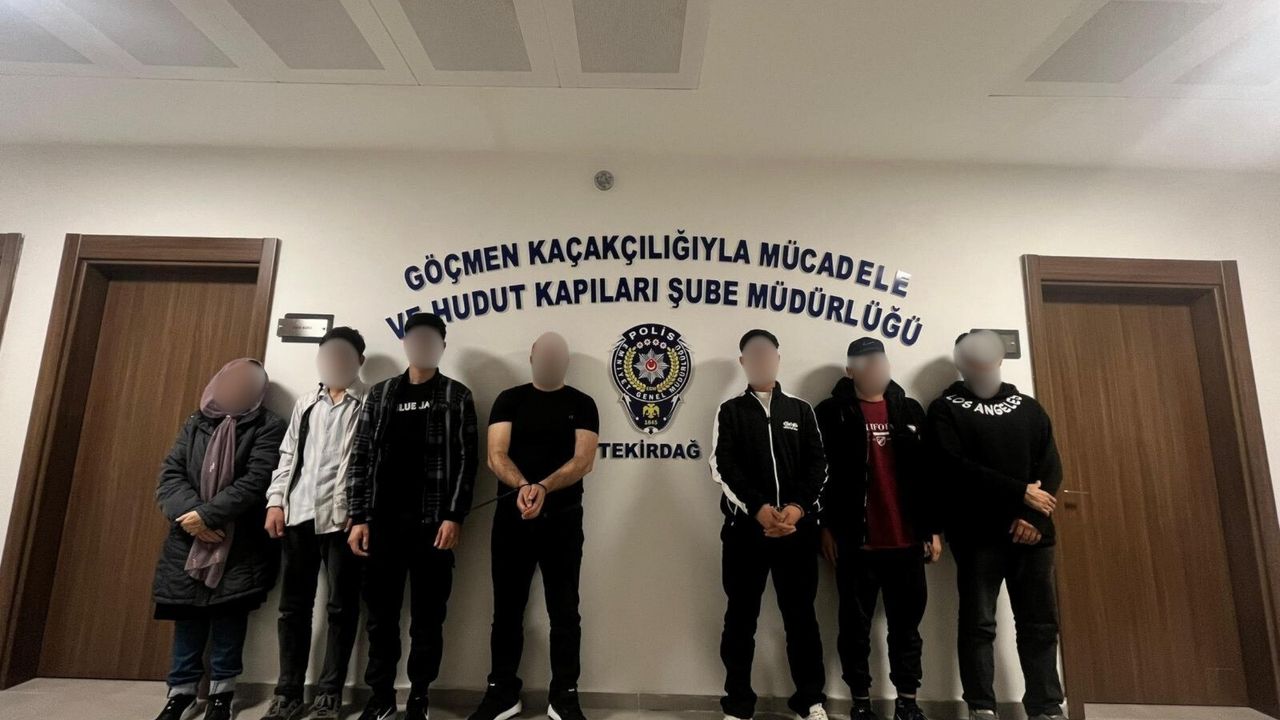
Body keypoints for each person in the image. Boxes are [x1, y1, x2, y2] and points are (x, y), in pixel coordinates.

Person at [346, 312, 478, 720]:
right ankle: (381, 696)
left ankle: (419, 695)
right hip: (381, 525)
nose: (422, 345)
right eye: (415, 338)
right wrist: (358, 516)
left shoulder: (456, 395)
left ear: (441, 346)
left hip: (433, 526)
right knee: (380, 619)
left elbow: (467, 461)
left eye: (430, 339)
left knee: (428, 619)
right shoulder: (381, 394)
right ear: (405, 343)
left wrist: (454, 516)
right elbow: (360, 456)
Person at [927, 330, 1064, 720]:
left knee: (1039, 625)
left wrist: (1033, 515)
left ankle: (1046, 707)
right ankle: (982, 707)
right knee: (979, 625)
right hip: (977, 535)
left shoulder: (1029, 408)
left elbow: (1051, 466)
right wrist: (1019, 492)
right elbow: (952, 468)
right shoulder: (945, 408)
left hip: (1033, 536)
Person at [468, 332, 600, 720]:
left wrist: (543, 486)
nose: (551, 360)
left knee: (565, 611)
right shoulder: (510, 399)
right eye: (545, 354)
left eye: (559, 355)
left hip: (563, 521)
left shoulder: (582, 403)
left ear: (566, 362)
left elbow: (583, 460)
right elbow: (495, 455)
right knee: (507, 610)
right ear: (532, 357)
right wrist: (524, 485)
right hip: (512, 521)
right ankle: (502, 692)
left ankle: (565, 696)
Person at [152, 358, 287, 720]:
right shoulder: (196, 422)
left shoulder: (269, 426)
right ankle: (181, 693)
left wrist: (209, 516)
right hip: (188, 537)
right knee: (187, 614)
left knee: (230, 616)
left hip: (239, 539)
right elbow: (171, 474)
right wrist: (193, 516)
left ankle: (222, 694)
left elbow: (257, 480)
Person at [815, 337, 940, 720]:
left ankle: (907, 702)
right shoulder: (831, 413)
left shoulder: (910, 410)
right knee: (854, 630)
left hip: (906, 542)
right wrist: (824, 527)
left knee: (907, 630)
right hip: (855, 543)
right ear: (850, 370)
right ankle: (860, 704)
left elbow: (930, 474)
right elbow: (818, 475)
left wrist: (932, 529)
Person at [709, 328, 830, 720]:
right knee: (740, 619)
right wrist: (758, 508)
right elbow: (722, 466)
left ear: (777, 359)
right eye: (753, 355)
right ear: (744, 362)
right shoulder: (730, 411)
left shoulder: (801, 410)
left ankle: (809, 701)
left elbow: (818, 465)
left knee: (801, 619)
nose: (761, 361)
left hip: (797, 534)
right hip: (746, 534)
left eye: (767, 354)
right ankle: (738, 704)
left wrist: (796, 509)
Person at [261, 327, 368, 720]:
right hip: (299, 515)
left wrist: (362, 513)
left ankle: (330, 692)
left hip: (343, 520)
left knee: (342, 608)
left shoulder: (369, 403)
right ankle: (287, 691)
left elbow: (372, 463)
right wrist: (276, 502)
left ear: (359, 361)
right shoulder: (306, 403)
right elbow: (288, 456)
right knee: (293, 608)